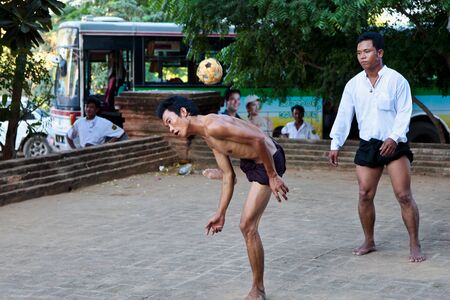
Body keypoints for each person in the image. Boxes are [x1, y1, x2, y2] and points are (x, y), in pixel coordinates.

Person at [156, 96, 289, 300]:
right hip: (252, 161)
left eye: (169, 121)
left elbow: (259, 139)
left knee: (247, 226)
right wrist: (220, 213)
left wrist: (272, 176)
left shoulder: (215, 126)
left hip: (268, 160)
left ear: (183, 112)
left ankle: (258, 290)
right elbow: (229, 176)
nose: (170, 129)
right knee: (245, 224)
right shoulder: (208, 137)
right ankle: (258, 288)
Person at [328, 31, 425, 263]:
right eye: (359, 53)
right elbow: (344, 115)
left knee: (403, 195)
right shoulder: (353, 84)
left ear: (379, 53)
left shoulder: (397, 80)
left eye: (367, 51)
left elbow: (404, 112)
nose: (362, 56)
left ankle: (414, 243)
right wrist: (335, 143)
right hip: (368, 144)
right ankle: (369, 240)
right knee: (364, 194)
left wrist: (394, 137)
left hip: (395, 144)